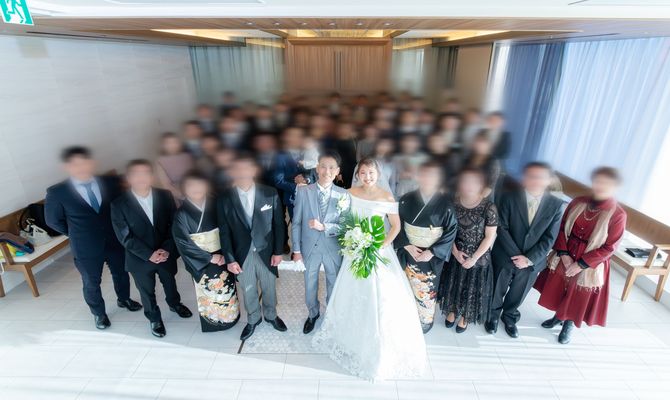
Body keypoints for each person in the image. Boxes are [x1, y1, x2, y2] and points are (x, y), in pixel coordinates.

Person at [313, 158, 427, 380]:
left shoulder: (386, 197)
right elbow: (343, 219)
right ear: (357, 174)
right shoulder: (349, 193)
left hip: (377, 250)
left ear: (378, 174)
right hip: (355, 250)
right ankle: (350, 337)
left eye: (371, 173)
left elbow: (395, 226)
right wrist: (352, 240)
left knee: (381, 297)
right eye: (363, 173)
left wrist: (380, 245)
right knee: (351, 293)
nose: (367, 177)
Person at [45, 146, 141, 330]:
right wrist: (76, 233)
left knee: (121, 273)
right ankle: (99, 313)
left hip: (114, 239)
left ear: (92, 163)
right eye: (75, 164)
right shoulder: (57, 192)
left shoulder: (111, 182)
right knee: (91, 281)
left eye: (84, 163)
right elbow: (53, 221)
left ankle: (124, 299)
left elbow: (122, 208)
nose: (81, 168)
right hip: (85, 245)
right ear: (67, 167)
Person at [534, 167, 626, 344]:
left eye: (606, 183)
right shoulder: (578, 202)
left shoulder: (618, 214)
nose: (601, 186)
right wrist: (564, 254)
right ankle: (558, 316)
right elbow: (561, 228)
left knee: (578, 293)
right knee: (560, 287)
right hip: (567, 252)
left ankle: (569, 323)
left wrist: (581, 264)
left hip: (590, 262)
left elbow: (610, 247)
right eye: (598, 181)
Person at [110, 160, 192, 337]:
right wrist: (149, 254)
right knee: (146, 290)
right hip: (139, 257)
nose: (141, 177)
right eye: (136, 174)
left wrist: (167, 248)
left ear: (152, 176)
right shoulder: (118, 204)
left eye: (145, 173)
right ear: (128, 178)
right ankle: (154, 318)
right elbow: (125, 236)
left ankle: (174, 304)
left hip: (165, 252)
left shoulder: (165, 195)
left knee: (170, 281)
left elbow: (174, 224)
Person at [488, 162, 565, 338]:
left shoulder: (556, 205)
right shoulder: (508, 197)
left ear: (548, 180)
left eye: (540, 177)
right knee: (496, 288)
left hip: (532, 260)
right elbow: (501, 227)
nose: (535, 180)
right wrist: (516, 255)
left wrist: (528, 259)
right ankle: (492, 315)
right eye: (531, 176)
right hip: (505, 253)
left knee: (519, 291)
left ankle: (509, 316)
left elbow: (549, 238)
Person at [218, 154, 287, 341]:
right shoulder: (224, 198)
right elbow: (224, 232)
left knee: (269, 286)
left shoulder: (270, 192)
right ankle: (253, 318)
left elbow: (279, 225)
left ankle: (271, 315)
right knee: (248, 288)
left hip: (267, 251)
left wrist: (278, 251)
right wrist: (230, 259)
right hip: (242, 253)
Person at [172, 171, 240, 332]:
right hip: (202, 260)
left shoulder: (216, 204)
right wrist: (209, 257)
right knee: (208, 293)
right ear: (184, 189)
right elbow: (183, 243)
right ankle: (213, 322)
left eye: (200, 184)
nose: (196, 188)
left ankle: (231, 318)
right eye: (191, 185)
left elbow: (228, 228)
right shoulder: (181, 214)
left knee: (227, 288)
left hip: (223, 254)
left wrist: (228, 254)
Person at [291, 151, 351, 334]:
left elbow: (346, 227)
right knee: (310, 283)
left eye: (332, 167)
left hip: (333, 248)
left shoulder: (344, 195)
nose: (327, 171)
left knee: (333, 283)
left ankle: (331, 314)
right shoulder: (303, 191)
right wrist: (296, 250)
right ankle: (313, 313)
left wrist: (324, 227)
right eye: (323, 166)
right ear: (317, 168)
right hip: (310, 248)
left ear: (337, 171)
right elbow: (296, 223)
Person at [395, 161, 458, 333]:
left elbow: (451, 230)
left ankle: (425, 320)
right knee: (406, 285)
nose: (427, 178)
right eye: (424, 174)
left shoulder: (446, 204)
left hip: (431, 256)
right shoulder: (406, 199)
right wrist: (406, 244)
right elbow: (397, 224)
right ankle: (407, 317)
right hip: (410, 251)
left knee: (427, 288)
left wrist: (432, 252)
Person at [439, 168, 498, 333]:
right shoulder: (453, 203)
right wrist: (455, 252)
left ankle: (465, 315)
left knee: (471, 287)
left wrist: (474, 258)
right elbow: (447, 231)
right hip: (456, 252)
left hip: (478, 255)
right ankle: (453, 309)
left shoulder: (489, 207)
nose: (469, 185)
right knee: (454, 284)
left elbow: (489, 237)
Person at [273, 127, 315, 218]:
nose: (295, 139)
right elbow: (278, 180)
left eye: (298, 136)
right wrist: (297, 187)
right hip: (293, 199)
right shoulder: (280, 156)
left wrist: (307, 179)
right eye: (292, 136)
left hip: (313, 197)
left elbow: (315, 173)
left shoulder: (310, 152)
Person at [155, 132, 194, 200]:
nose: (172, 145)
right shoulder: (160, 161)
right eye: (168, 143)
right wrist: (182, 197)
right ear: (163, 145)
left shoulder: (187, 157)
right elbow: (166, 184)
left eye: (175, 142)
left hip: (192, 188)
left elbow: (194, 176)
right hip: (175, 194)